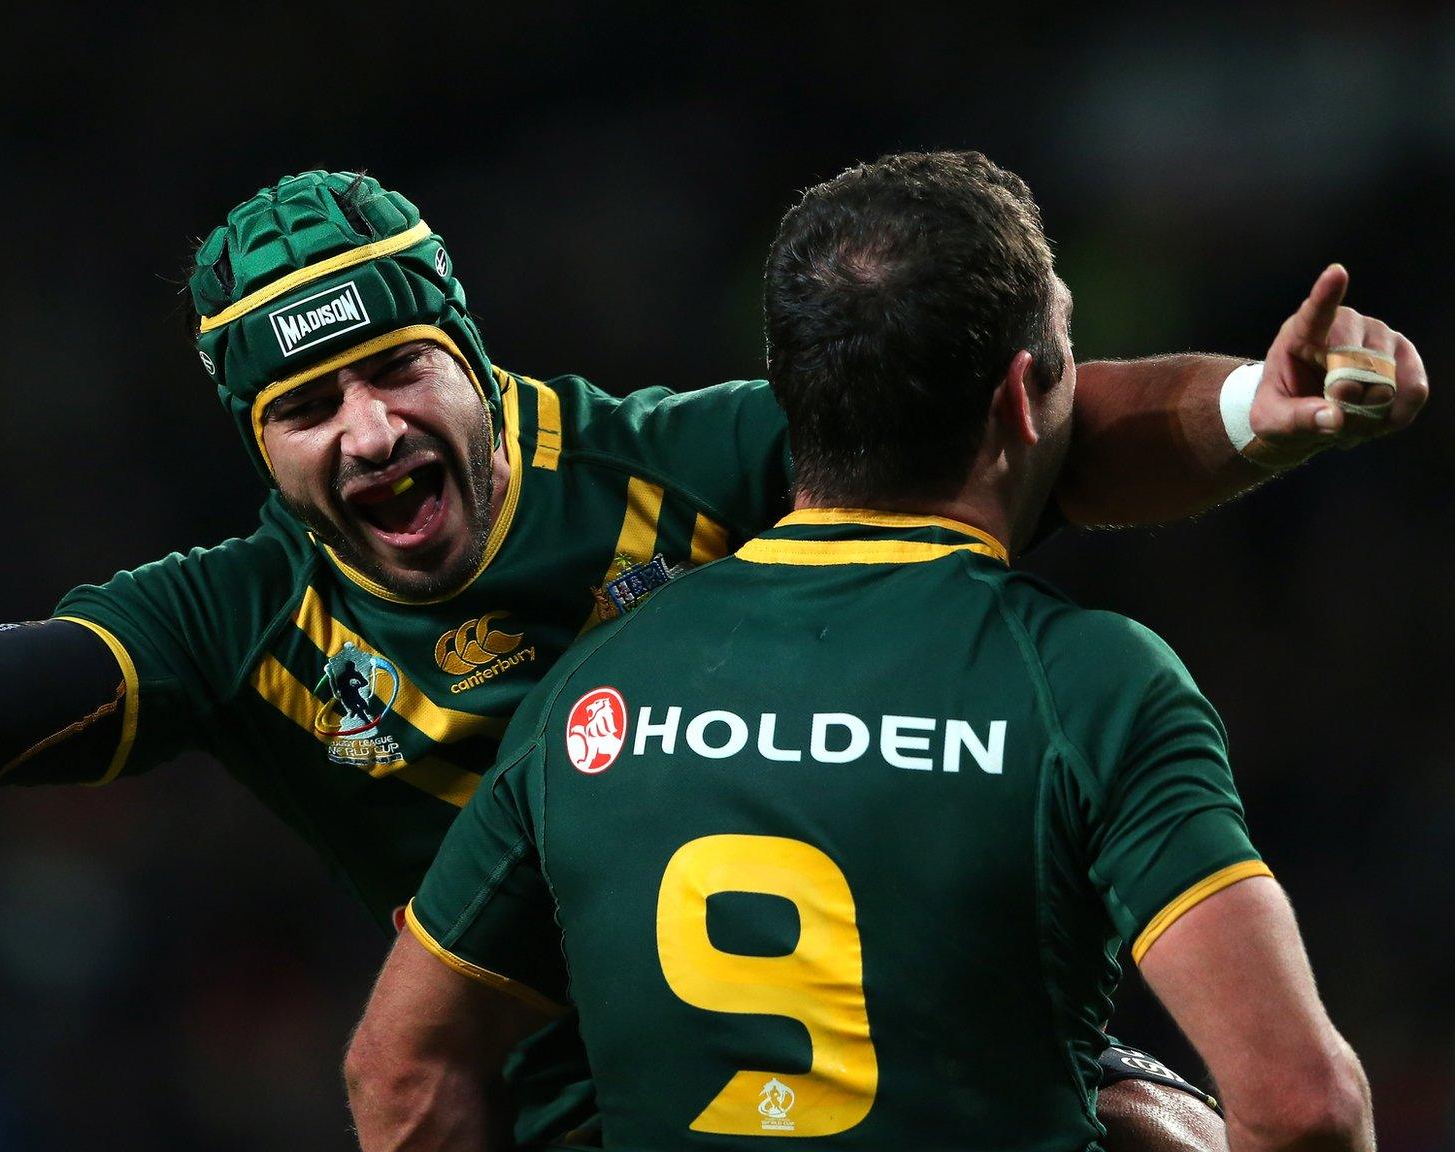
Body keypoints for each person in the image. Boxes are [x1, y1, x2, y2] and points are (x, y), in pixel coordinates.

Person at [0, 170, 1419, 1147]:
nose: (373, 431)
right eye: (308, 406)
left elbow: (1029, 432)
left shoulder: (665, 462)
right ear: (253, 446)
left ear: (470, 357)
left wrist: (1257, 407)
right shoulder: (233, 622)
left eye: (399, 367)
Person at [345, 152, 1374, 1151]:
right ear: (1021, 399)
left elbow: (399, 1071)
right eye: (1068, 348)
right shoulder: (1091, 686)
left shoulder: (592, 688)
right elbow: (1299, 1107)